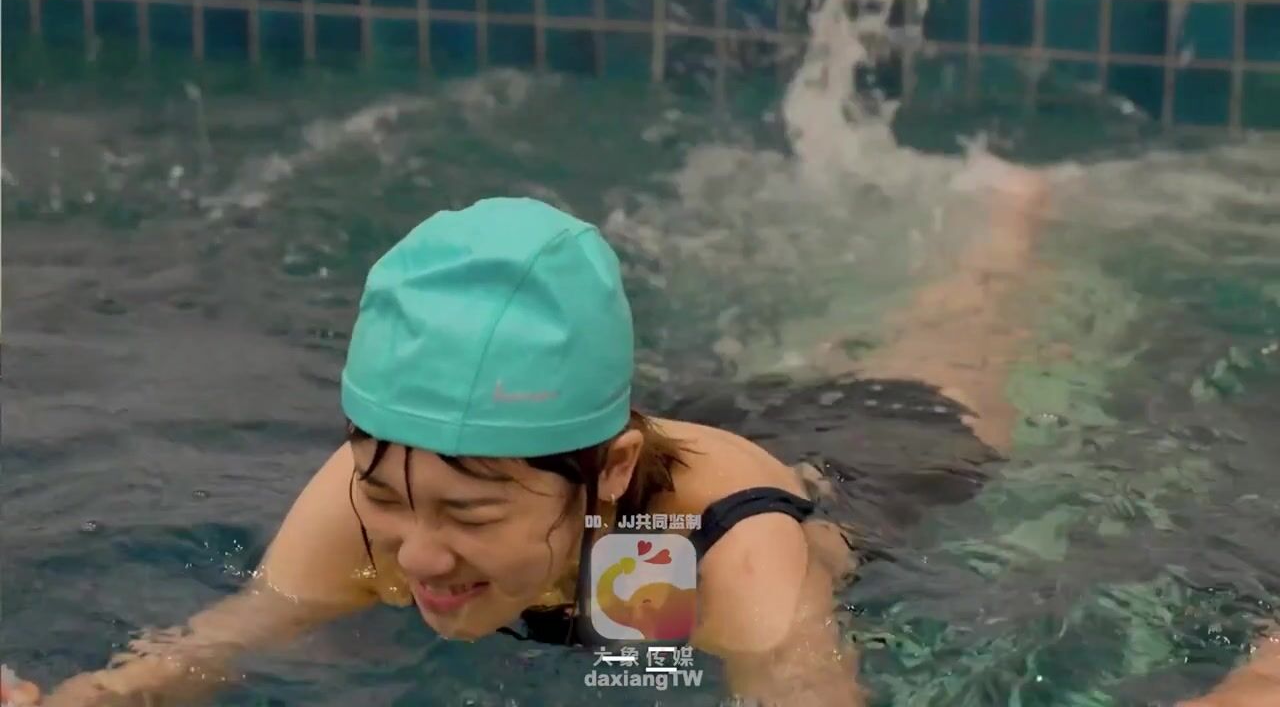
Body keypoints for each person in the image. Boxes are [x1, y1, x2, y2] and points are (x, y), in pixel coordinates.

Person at [23, 171, 1049, 706]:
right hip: (646, 444)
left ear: (607, 469)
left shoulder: (731, 554)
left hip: (880, 451)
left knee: (957, 339)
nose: (418, 556)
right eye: (385, 499)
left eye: (467, 515)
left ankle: (1012, 226)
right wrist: (83, 699)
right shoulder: (396, 472)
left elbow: (801, 689)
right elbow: (220, 643)